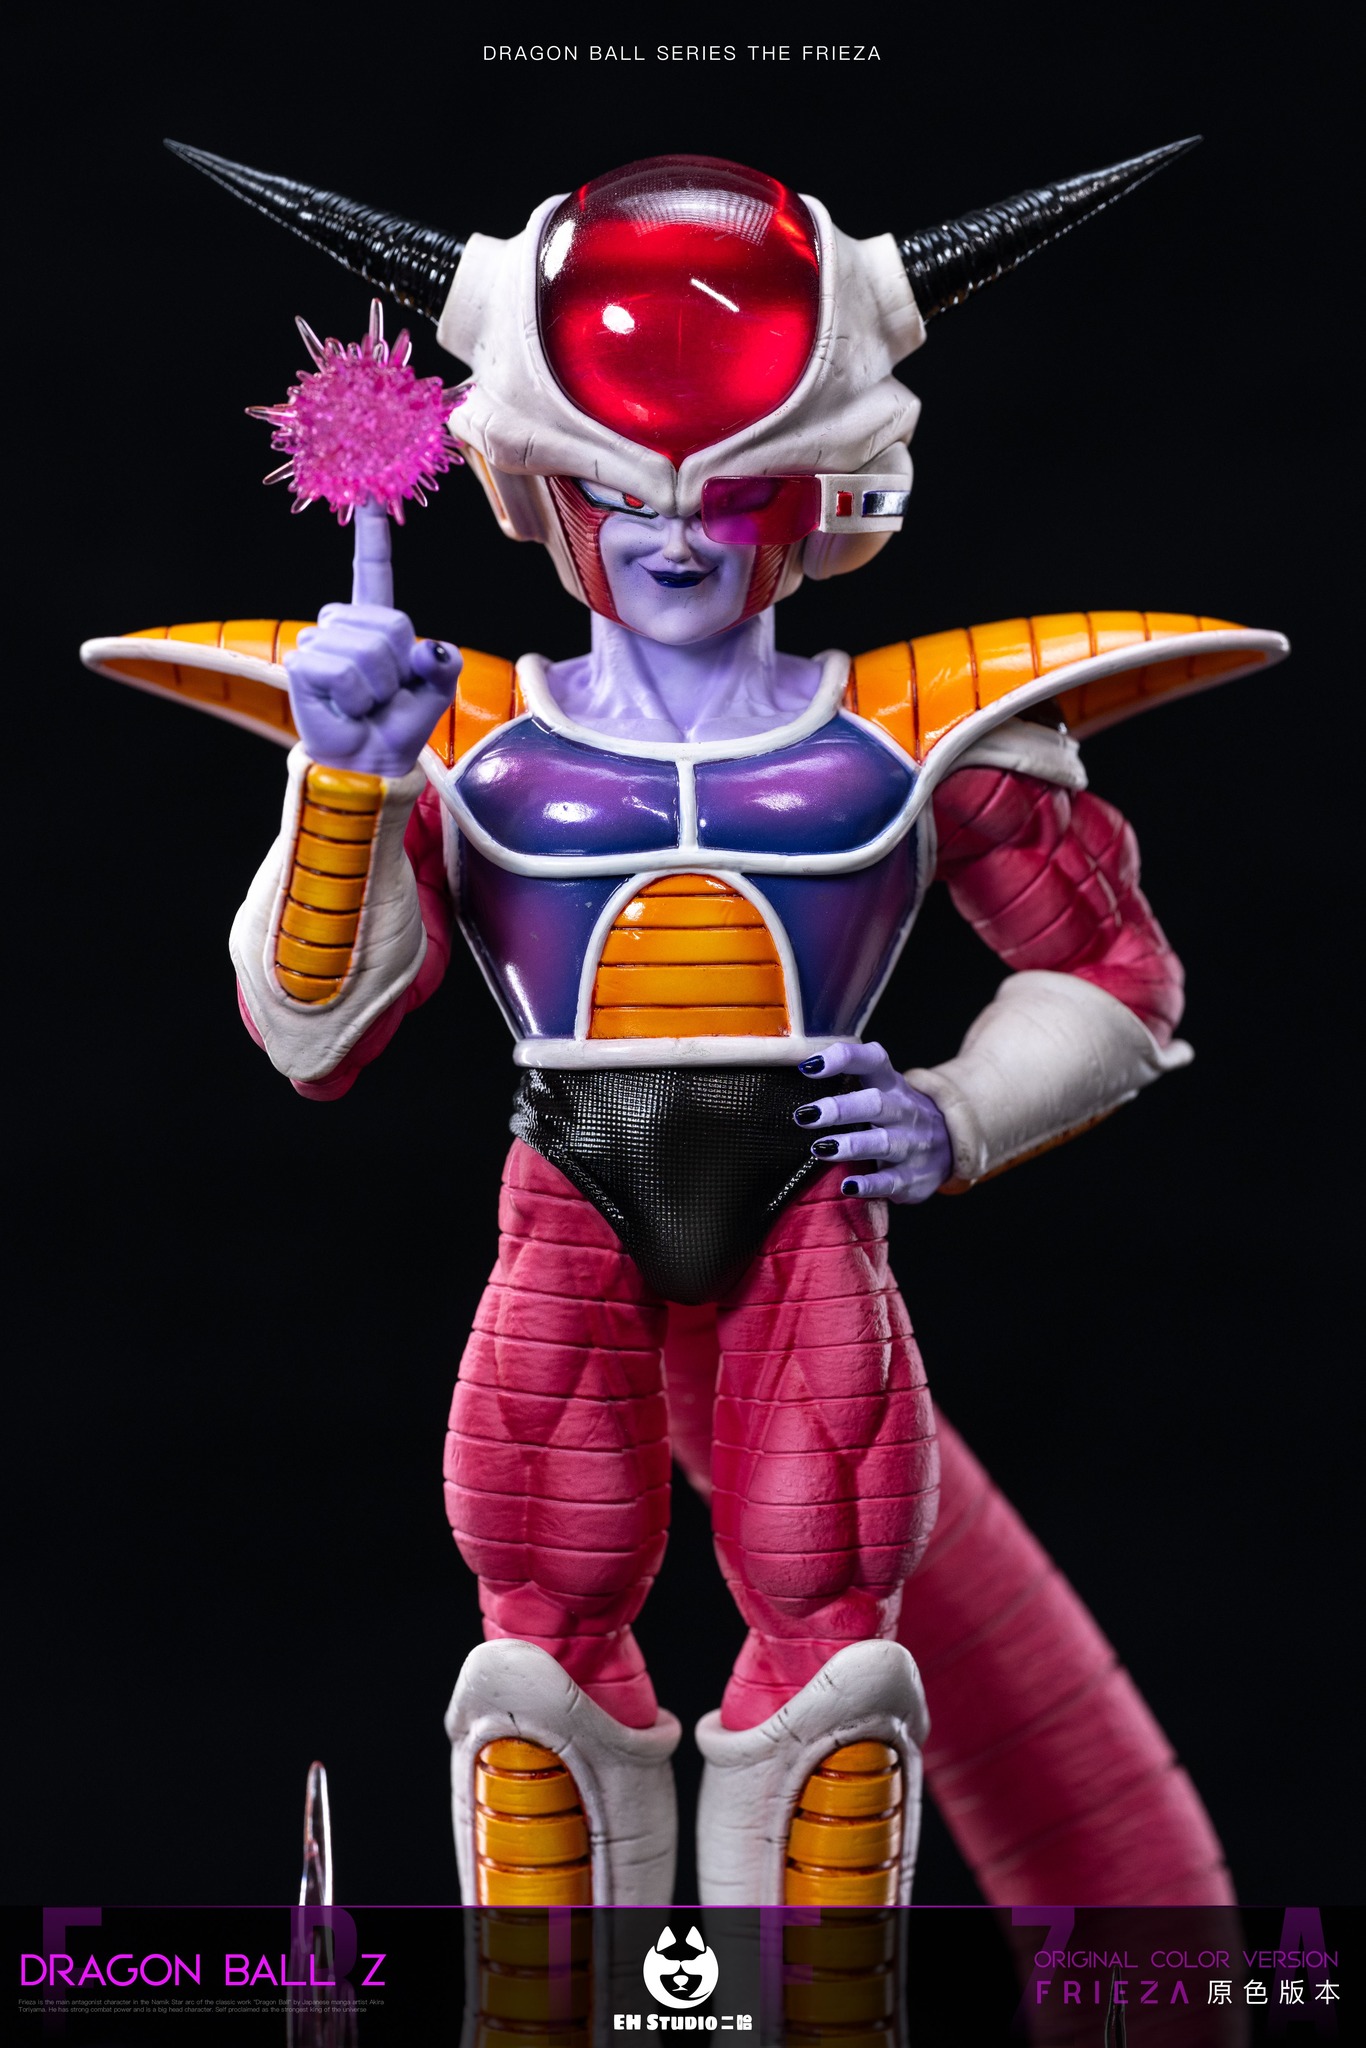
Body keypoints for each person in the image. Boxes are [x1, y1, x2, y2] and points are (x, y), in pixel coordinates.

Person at [83, 145, 1286, 1907]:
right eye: (619, 493)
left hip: (809, 1199)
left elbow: (1113, 979)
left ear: (816, 492)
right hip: (569, 1189)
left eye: (725, 496)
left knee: (838, 1637)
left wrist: (954, 1112)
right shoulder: (461, 735)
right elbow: (313, 1029)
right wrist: (345, 779)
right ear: (539, 487)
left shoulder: (918, 735)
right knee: (536, 1641)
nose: (668, 537)